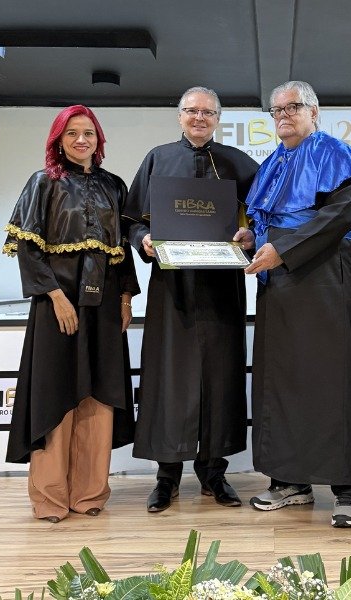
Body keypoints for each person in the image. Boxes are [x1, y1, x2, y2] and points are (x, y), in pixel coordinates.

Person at [237, 81, 351, 528]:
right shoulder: (272, 162)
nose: (283, 115)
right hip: (277, 282)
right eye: (276, 110)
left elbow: (340, 216)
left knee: (330, 380)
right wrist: (252, 237)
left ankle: (346, 489)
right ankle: (289, 481)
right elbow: (268, 218)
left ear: (314, 111)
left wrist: (283, 248)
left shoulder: (336, 153)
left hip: (321, 275)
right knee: (280, 381)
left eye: (292, 107)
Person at [123, 86, 259, 513]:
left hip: (222, 288)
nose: (199, 118)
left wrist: (251, 235)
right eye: (192, 111)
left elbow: (264, 216)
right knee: (169, 376)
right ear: (179, 115)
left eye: (208, 112)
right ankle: (167, 477)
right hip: (173, 288)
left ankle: (214, 473)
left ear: (218, 118)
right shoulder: (158, 158)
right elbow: (131, 220)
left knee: (220, 377)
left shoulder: (239, 163)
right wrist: (143, 239)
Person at [3, 105, 140, 523]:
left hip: (104, 307)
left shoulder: (114, 186)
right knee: (55, 391)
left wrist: (126, 298)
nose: (82, 140)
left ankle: (89, 493)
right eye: (72, 133)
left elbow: (123, 251)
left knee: (99, 392)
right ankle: (49, 497)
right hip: (56, 307)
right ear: (58, 140)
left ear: (99, 140)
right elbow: (28, 249)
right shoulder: (43, 182)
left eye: (89, 133)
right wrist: (55, 297)